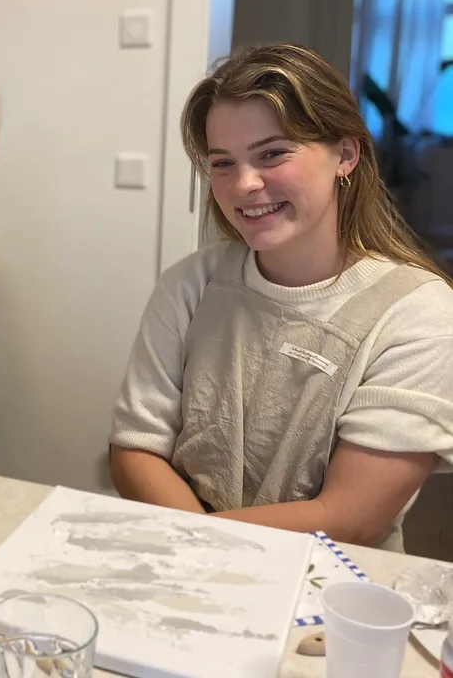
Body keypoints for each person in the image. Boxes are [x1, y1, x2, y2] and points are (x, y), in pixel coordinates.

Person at [109, 43, 453, 551]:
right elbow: (135, 448)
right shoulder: (190, 285)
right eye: (223, 163)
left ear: (346, 155)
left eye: (272, 154)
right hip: (182, 561)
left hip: (329, 582)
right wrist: (198, 559)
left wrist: (200, 545)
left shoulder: (418, 314)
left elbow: (349, 518)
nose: (244, 184)